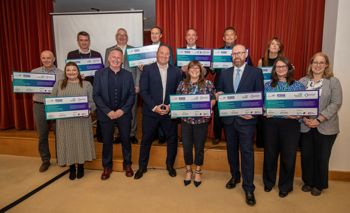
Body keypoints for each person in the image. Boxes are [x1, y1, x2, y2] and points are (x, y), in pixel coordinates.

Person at [216, 44, 263, 206]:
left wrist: (254, 112)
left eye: (240, 53)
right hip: (229, 121)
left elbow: (260, 95)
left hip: (247, 121)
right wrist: (218, 94)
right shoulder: (224, 73)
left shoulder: (256, 72)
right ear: (231, 56)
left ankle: (249, 187)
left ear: (246, 54)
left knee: (247, 153)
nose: (237, 56)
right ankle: (235, 176)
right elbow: (219, 92)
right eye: (234, 53)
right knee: (231, 150)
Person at [134, 45, 182, 179]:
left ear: (169, 56)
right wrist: (154, 107)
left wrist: (170, 106)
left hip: (169, 112)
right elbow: (143, 91)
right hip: (151, 112)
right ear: (157, 54)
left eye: (167, 54)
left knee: (172, 139)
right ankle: (142, 167)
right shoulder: (148, 70)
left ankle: (170, 165)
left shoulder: (176, 72)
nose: (164, 56)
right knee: (146, 140)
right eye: (162, 53)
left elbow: (179, 92)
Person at [299, 52, 342, 196]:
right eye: (315, 62)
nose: (317, 65)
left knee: (322, 157)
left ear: (326, 65)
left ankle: (319, 184)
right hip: (305, 125)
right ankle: (308, 181)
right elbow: (297, 102)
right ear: (311, 64)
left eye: (321, 63)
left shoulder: (333, 82)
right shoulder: (303, 82)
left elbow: (336, 103)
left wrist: (318, 119)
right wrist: (304, 118)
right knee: (307, 155)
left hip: (326, 127)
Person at [262, 57, 305, 198]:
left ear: (289, 68)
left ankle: (285, 186)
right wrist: (265, 111)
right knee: (270, 154)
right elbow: (262, 104)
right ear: (274, 69)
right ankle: (268, 182)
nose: (280, 69)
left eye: (283, 66)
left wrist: (297, 115)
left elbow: (303, 107)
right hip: (271, 124)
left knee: (288, 156)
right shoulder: (268, 85)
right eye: (278, 67)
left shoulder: (298, 86)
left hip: (290, 125)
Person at [93, 47, 135, 180]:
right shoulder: (99, 74)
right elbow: (96, 95)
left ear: (122, 60)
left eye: (119, 58)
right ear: (108, 59)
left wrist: (122, 111)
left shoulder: (128, 75)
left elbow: (131, 95)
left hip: (124, 114)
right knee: (107, 141)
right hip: (106, 115)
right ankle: (107, 166)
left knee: (126, 140)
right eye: (113, 57)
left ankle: (127, 164)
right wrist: (108, 112)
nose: (116, 60)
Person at [51, 62, 96, 180]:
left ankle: (81, 166)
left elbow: (92, 102)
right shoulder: (59, 84)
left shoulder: (86, 84)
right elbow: (52, 100)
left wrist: (88, 110)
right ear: (65, 72)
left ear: (78, 71)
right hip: (64, 121)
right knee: (68, 142)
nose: (71, 72)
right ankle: (71, 167)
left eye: (74, 70)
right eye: (68, 70)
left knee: (80, 141)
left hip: (82, 120)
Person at [176, 61, 216, 187]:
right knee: (187, 146)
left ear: (201, 70)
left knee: (199, 147)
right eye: (191, 68)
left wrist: (208, 106)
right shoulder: (182, 84)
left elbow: (213, 99)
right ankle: (188, 170)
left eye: (196, 68)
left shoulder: (208, 84)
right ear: (187, 71)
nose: (194, 70)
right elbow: (177, 101)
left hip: (201, 121)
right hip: (186, 121)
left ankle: (198, 171)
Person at [212, 27, 253, 145]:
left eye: (232, 35)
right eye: (227, 35)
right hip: (221, 84)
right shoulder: (217, 52)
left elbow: (250, 67)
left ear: (235, 37)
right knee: (219, 110)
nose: (229, 37)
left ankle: (234, 134)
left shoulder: (243, 52)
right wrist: (212, 66)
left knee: (235, 109)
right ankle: (217, 135)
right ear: (223, 38)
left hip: (238, 85)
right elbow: (213, 71)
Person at [105, 28, 141, 144]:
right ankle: (117, 134)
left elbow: (139, 70)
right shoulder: (109, 50)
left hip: (131, 86)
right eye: (119, 35)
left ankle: (132, 133)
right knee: (115, 108)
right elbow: (106, 67)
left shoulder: (134, 50)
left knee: (132, 110)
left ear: (127, 37)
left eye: (124, 35)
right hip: (114, 85)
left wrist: (137, 84)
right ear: (116, 37)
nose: (122, 37)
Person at [66, 31, 104, 142]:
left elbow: (101, 72)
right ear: (78, 41)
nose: (84, 42)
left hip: (95, 88)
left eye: (86, 40)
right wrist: (76, 76)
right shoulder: (71, 55)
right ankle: (82, 136)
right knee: (80, 112)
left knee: (99, 112)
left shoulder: (97, 54)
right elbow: (68, 71)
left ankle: (100, 135)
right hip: (78, 88)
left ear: (89, 41)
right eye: (81, 40)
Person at [31, 50, 64, 172]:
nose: (46, 60)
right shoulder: (34, 72)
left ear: (54, 58)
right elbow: (27, 85)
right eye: (43, 58)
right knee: (42, 135)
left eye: (49, 57)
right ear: (41, 59)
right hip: (39, 105)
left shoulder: (61, 73)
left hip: (56, 106)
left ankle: (61, 158)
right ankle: (45, 160)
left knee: (59, 133)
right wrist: (17, 81)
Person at [255, 37, 284, 148]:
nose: (275, 46)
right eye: (272, 44)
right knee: (263, 117)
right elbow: (257, 78)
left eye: (277, 44)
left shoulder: (283, 61)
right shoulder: (261, 61)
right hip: (264, 92)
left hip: (278, 92)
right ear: (268, 47)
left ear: (280, 48)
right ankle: (262, 142)